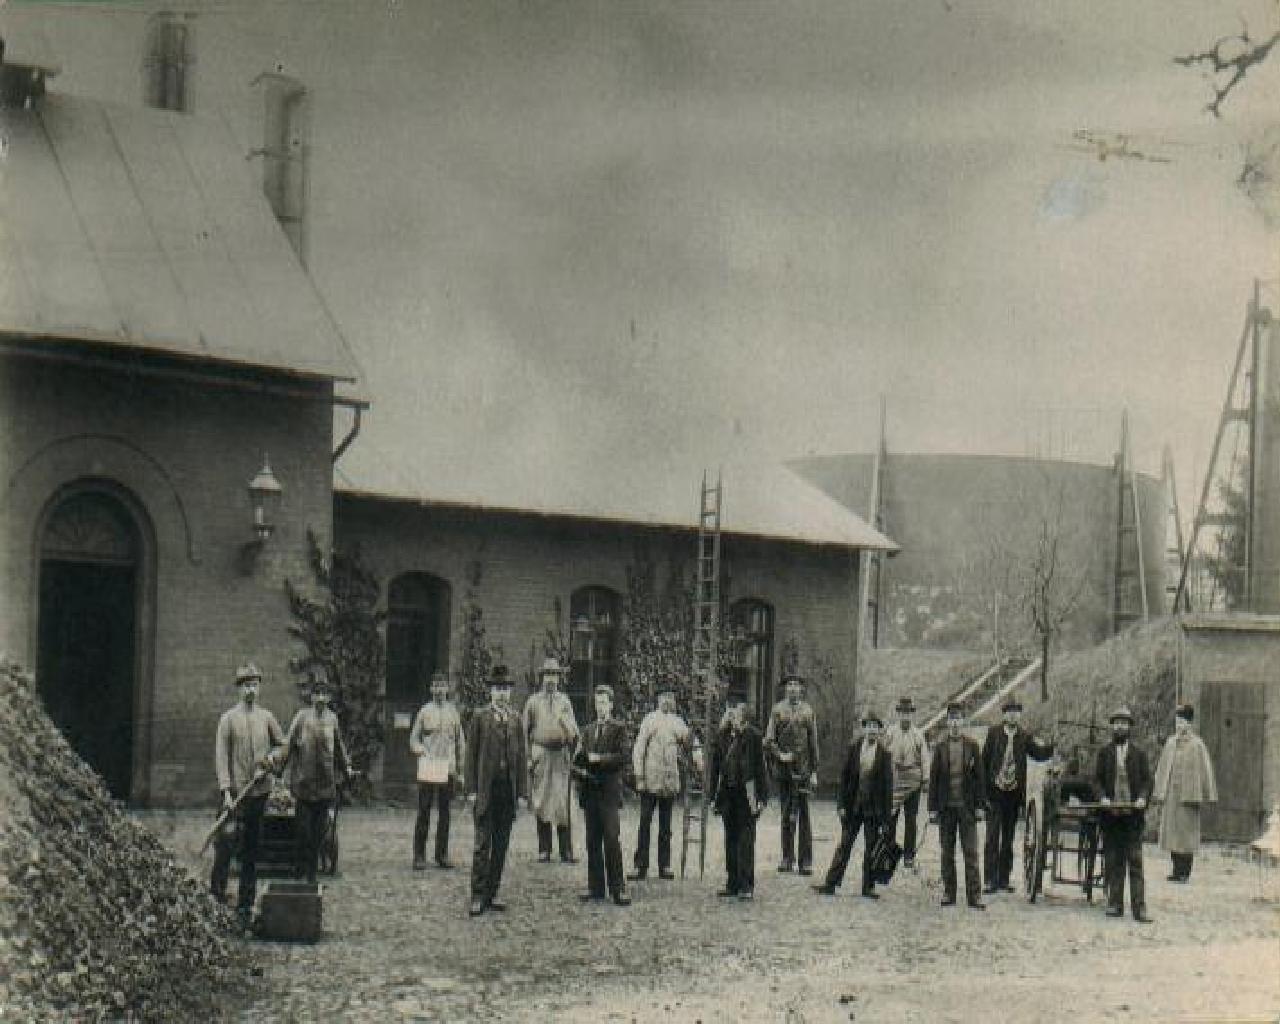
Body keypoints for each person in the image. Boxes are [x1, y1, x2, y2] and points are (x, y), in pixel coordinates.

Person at [211, 663, 285, 930]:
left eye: (254, 684)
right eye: (245, 685)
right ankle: (216, 897)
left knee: (252, 851)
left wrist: (271, 760)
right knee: (226, 845)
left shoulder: (267, 718)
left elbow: (283, 745)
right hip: (234, 795)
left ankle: (245, 905)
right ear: (238, 689)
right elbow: (221, 758)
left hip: (258, 793)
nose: (250, 690)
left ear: (259, 687)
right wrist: (226, 792)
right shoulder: (228, 719)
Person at [275, 670, 353, 885]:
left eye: (324, 694)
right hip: (303, 785)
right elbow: (289, 744)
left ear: (329, 697)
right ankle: (299, 872)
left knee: (319, 833)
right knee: (303, 833)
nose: (320, 698)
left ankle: (311, 875)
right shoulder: (301, 718)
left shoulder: (332, 719)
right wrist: (279, 767)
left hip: (326, 786)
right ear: (311, 697)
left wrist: (346, 767)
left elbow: (339, 747)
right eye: (317, 694)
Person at [467, 666, 528, 917]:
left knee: (501, 845)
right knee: (483, 844)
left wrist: (522, 793)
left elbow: (522, 758)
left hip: (507, 791)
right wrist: (471, 789)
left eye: (505, 689)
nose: (501, 694)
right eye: (497, 689)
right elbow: (470, 756)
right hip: (486, 791)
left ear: (510, 692)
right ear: (490, 692)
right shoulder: (480, 718)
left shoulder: (516, 720)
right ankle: (477, 895)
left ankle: (492, 893)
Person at [813, 711, 893, 899]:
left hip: (873, 810)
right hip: (854, 807)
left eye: (875, 727)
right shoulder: (854, 749)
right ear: (863, 729)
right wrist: (841, 805)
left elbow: (887, 789)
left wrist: (886, 819)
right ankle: (830, 883)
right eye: (869, 726)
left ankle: (868, 887)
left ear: (879, 731)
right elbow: (844, 779)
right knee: (844, 845)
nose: (872, 730)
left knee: (871, 848)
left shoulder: (884, 755)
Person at [980, 697, 1053, 894]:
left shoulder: (1024, 736)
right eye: (1009, 712)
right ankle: (990, 879)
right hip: (994, 793)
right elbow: (984, 762)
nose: (1013, 715)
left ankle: (1004, 879)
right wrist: (983, 794)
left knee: (1008, 838)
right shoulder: (994, 733)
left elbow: (1038, 753)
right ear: (1004, 715)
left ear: (1019, 715)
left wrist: (1052, 746)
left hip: (1013, 794)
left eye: (1016, 712)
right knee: (992, 837)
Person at [574, 685, 632, 906]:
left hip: (608, 793)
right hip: (590, 792)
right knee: (592, 840)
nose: (600, 707)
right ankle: (596, 887)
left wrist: (599, 759)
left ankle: (618, 889)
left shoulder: (619, 728)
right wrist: (578, 767)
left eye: (604, 703)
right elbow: (580, 757)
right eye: (597, 703)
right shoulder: (588, 730)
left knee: (611, 839)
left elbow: (623, 757)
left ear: (611, 705)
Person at [1095, 704, 1153, 923]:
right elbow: (1097, 780)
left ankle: (1140, 909)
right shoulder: (1104, 753)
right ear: (1112, 726)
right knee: (1114, 860)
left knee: (1135, 861)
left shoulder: (1139, 754)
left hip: (1133, 817)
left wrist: (1142, 798)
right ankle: (1115, 904)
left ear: (1129, 727)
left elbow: (1147, 781)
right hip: (1112, 817)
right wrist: (1103, 797)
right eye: (1117, 723)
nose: (1120, 727)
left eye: (1124, 723)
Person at [708, 696, 769, 900]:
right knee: (730, 838)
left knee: (746, 840)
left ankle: (746, 885)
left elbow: (760, 768)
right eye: (729, 712)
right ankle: (732, 883)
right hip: (728, 793)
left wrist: (762, 797)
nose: (732, 715)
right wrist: (712, 797)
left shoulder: (753, 736)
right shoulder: (722, 736)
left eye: (736, 712)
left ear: (744, 716)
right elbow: (715, 769)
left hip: (747, 793)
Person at [927, 702, 986, 909]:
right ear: (947, 722)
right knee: (947, 852)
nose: (954, 723)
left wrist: (980, 806)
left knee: (971, 852)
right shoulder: (940, 748)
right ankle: (948, 893)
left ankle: (974, 896)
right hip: (946, 808)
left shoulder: (973, 746)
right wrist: (932, 809)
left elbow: (980, 779)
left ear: (963, 721)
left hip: (967, 808)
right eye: (951, 719)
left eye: (958, 719)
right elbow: (934, 779)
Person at [629, 685, 690, 881]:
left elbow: (690, 743)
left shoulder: (678, 722)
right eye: (663, 697)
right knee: (645, 822)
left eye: (670, 697)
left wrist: (698, 758)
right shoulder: (650, 720)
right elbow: (639, 749)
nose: (667, 701)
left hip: (668, 781)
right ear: (658, 700)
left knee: (666, 825)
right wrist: (639, 776)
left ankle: (665, 865)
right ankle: (640, 865)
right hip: (650, 780)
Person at [522, 656, 580, 863]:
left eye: (554, 675)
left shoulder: (564, 701)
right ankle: (544, 849)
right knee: (542, 801)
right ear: (542, 677)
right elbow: (524, 732)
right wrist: (529, 757)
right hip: (541, 755)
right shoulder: (533, 702)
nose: (551, 679)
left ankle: (566, 850)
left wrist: (566, 726)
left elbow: (574, 732)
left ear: (559, 678)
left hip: (560, 756)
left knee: (563, 802)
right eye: (547, 675)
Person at [1153, 702, 1217, 883]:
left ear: (1189, 723)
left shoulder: (1197, 744)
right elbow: (1162, 767)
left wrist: (1208, 792)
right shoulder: (1170, 743)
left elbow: (1205, 769)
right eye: (1177, 722)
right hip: (1172, 795)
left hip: (1189, 796)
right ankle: (1175, 869)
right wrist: (1159, 790)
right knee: (1172, 833)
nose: (1179, 726)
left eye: (1182, 722)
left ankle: (1185, 872)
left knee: (1186, 833)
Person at [409, 671, 466, 870]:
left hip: (447, 768)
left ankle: (442, 854)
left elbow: (460, 744)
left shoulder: (453, 713)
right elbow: (413, 739)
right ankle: (419, 855)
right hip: (429, 766)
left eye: (442, 686)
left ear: (447, 689)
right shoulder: (424, 712)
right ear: (431, 688)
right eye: (436, 686)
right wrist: (421, 750)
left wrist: (461, 771)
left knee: (445, 812)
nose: (439, 690)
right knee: (424, 811)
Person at [763, 674, 820, 875]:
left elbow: (813, 743)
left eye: (796, 685)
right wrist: (780, 755)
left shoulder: (808, 711)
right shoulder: (777, 710)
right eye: (790, 685)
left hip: (803, 771)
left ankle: (805, 861)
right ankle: (787, 857)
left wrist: (814, 771)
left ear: (801, 690)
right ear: (785, 689)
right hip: (785, 771)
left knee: (804, 815)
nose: (793, 688)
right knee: (787, 814)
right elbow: (769, 740)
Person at [884, 695, 929, 868]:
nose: (905, 716)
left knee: (911, 819)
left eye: (908, 713)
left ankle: (909, 855)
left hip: (913, 781)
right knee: (891, 818)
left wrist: (925, 779)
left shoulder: (918, 734)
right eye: (902, 713)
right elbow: (883, 754)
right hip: (895, 780)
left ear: (912, 715)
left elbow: (925, 758)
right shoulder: (890, 733)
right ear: (898, 714)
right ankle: (889, 852)